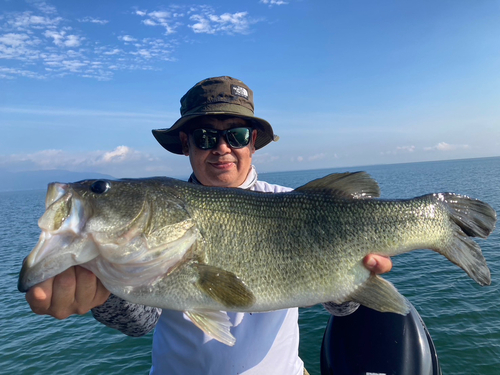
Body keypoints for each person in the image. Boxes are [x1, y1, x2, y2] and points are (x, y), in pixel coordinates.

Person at [25, 76, 393, 374]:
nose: (221, 148)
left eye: (237, 135)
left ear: (254, 145)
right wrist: (102, 295)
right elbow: (140, 324)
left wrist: (350, 282)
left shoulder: (296, 202)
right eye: (205, 136)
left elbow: (344, 311)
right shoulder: (155, 219)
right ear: (185, 144)